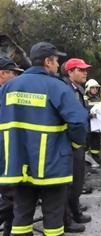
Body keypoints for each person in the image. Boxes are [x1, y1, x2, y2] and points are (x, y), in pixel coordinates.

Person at [0, 42, 88, 236]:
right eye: (56, 61)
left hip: (17, 167)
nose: (58, 66)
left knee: (21, 217)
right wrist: (74, 144)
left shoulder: (9, 87)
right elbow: (79, 121)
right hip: (51, 166)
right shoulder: (56, 86)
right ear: (48, 62)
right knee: (54, 219)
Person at [63, 58, 92, 232]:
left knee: (78, 180)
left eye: (84, 70)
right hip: (70, 143)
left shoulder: (79, 89)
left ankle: (75, 211)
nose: (85, 72)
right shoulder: (65, 89)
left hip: (79, 142)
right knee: (69, 182)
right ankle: (67, 218)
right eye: (80, 70)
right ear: (70, 72)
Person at [0, 57, 23, 236]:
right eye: (14, 73)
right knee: (11, 198)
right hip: (4, 157)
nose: (16, 77)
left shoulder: (7, 94)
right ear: (3, 73)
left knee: (13, 199)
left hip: (8, 154)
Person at [84, 79, 101, 165]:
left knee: (96, 141)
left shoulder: (98, 98)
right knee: (87, 141)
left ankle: (95, 157)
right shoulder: (84, 98)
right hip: (87, 125)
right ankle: (86, 160)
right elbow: (82, 111)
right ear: (88, 88)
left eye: (96, 88)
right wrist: (90, 115)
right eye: (93, 88)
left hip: (96, 125)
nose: (95, 89)